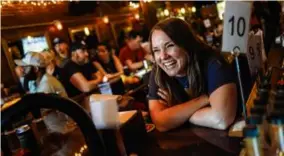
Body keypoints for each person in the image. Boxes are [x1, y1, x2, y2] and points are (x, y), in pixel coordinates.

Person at [148, 18, 237, 132]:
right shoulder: (158, 73)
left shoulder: (212, 62)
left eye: (170, 45)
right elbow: (160, 122)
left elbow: (222, 119)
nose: (163, 56)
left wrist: (175, 113)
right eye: (156, 50)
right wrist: (204, 99)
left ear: (186, 44)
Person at [14, 52, 72, 133]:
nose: (22, 70)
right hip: (55, 129)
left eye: (25, 67)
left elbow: (38, 112)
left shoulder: (46, 84)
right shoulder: (40, 81)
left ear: (35, 69)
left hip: (62, 132)